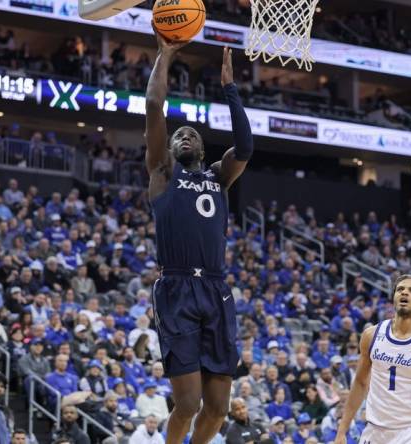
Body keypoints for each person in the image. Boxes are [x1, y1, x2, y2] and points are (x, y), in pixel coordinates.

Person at [145, 25, 253, 443]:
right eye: (178, 135)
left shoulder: (218, 177)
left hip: (216, 289)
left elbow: (244, 148)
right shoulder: (162, 173)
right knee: (187, 405)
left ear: (203, 150)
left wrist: (230, 89)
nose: (184, 134)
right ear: (168, 150)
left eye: (192, 134)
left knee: (218, 409)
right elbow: (155, 106)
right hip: (176, 286)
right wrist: (166, 54)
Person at [334, 274, 411, 444]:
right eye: (400, 289)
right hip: (374, 431)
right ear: (394, 298)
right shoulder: (371, 335)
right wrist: (342, 430)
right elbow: (360, 383)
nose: (404, 293)